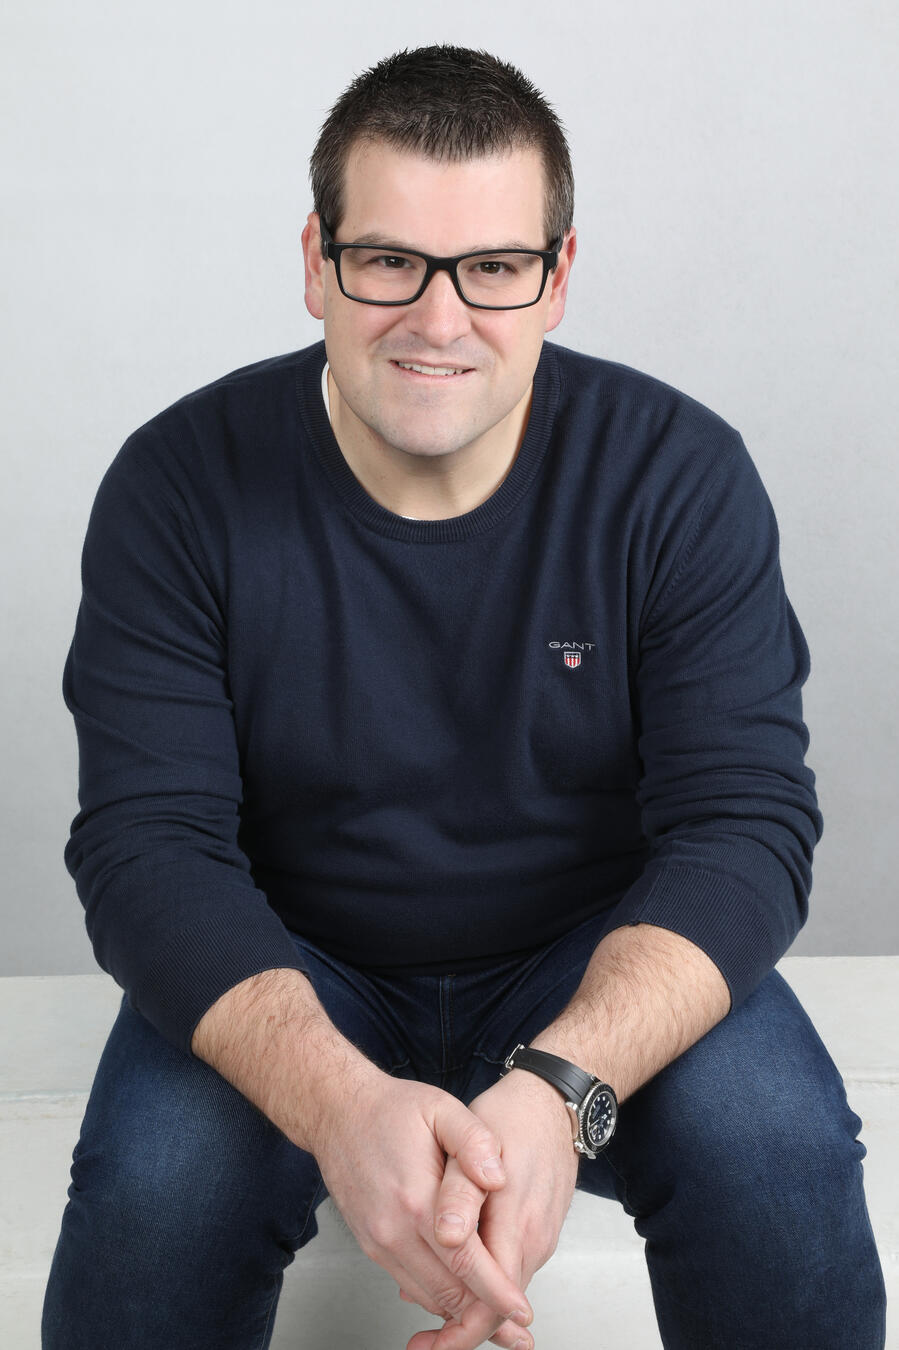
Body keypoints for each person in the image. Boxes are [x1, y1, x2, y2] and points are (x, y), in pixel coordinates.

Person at [43, 44, 886, 1350]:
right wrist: (339, 1103)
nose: (439, 320)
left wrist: (558, 1089)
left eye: (492, 267)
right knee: (156, 1193)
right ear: (316, 261)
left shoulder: (678, 476)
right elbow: (147, 850)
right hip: (292, 960)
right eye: (390, 261)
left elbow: (745, 826)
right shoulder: (178, 486)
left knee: (776, 1145)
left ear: (558, 276)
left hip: (591, 958)